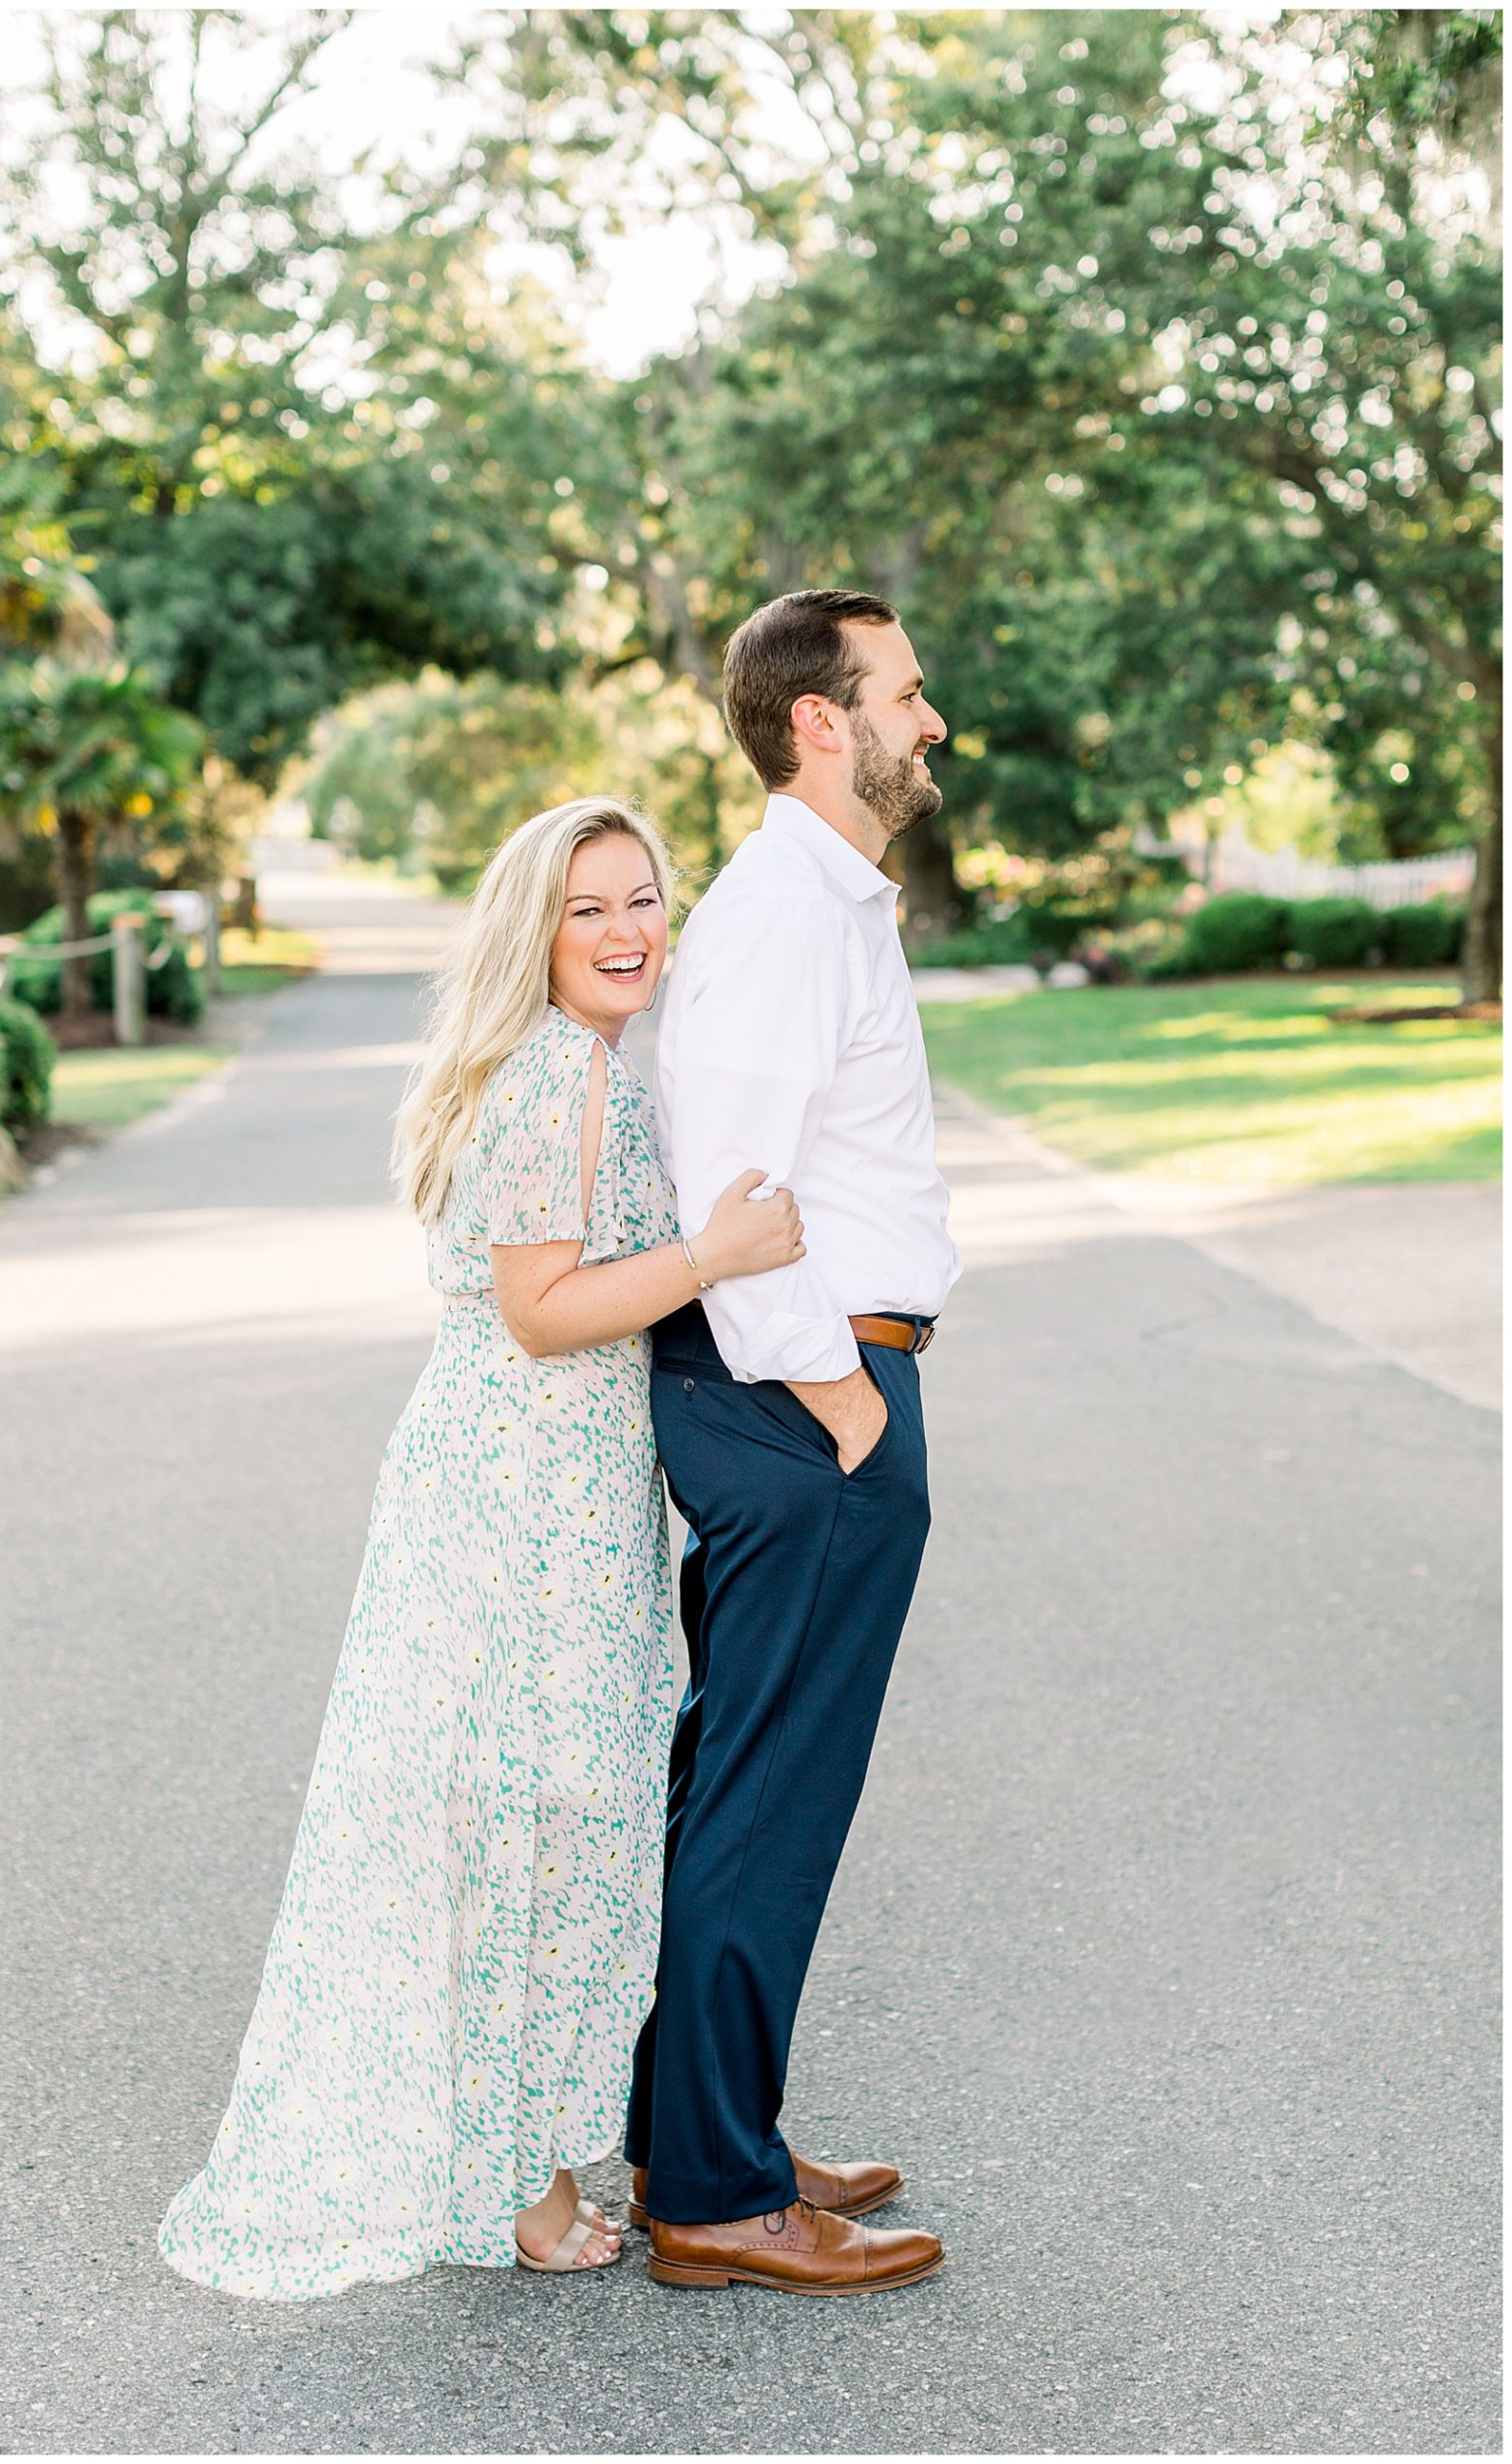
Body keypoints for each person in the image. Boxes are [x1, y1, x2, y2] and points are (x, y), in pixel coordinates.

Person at [158, 798, 804, 2297]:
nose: (628, 931)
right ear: (536, 932)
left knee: (533, 1814)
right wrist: (713, 1253)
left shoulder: (575, 1063)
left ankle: (523, 2146)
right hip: (519, 1498)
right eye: (589, 909)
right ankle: (515, 2177)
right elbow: (541, 1309)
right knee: (533, 1817)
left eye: (642, 899)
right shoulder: (557, 1077)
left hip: (547, 1482)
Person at [624, 589, 963, 2297]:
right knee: (767, 1801)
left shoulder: (823, 904)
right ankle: (714, 2193)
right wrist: (845, 1408)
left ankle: (702, 2130)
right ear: (818, 722)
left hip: (807, 1391)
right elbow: (736, 1203)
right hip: (800, 1401)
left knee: (738, 1787)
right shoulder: (780, 917)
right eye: (903, 692)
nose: (932, 720)